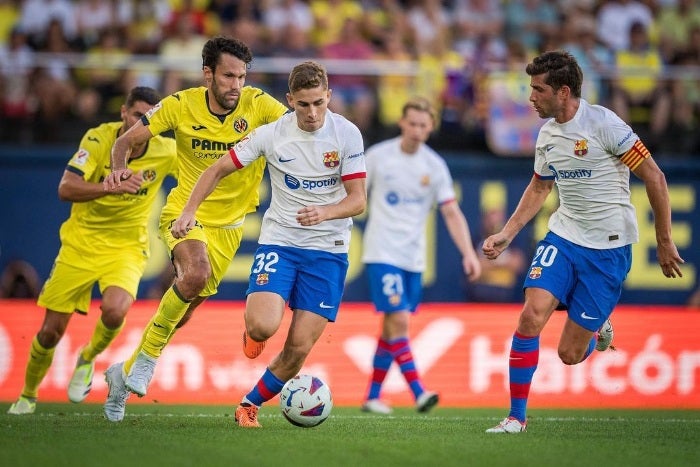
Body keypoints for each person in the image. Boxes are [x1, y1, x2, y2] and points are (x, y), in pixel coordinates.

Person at [483, 50, 684, 434]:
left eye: (537, 90)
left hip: (609, 248)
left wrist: (664, 241)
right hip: (564, 234)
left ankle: (596, 332)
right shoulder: (546, 134)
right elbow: (541, 186)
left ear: (562, 92)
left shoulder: (605, 124)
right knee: (531, 315)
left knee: (569, 354)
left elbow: (655, 178)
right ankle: (515, 418)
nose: (530, 97)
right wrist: (507, 233)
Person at [101, 36, 288, 423]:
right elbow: (125, 140)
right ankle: (148, 360)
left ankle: (121, 375)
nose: (236, 84)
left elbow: (299, 129)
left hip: (231, 226)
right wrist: (117, 166)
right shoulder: (179, 105)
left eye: (241, 76)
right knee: (195, 273)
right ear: (208, 74)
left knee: (183, 310)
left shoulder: (259, 105)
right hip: (186, 213)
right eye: (227, 76)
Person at [170, 60, 366, 428]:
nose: (312, 113)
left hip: (328, 251)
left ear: (329, 97)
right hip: (281, 243)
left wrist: (324, 213)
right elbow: (216, 169)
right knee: (262, 328)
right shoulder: (271, 134)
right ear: (290, 100)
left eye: (319, 103)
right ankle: (252, 330)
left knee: (298, 350)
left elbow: (358, 200)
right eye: (303, 104)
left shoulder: (347, 134)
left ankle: (248, 404)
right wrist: (188, 212)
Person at [7, 86, 176, 415]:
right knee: (50, 332)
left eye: (150, 118)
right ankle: (27, 394)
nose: (142, 123)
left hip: (127, 246)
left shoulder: (166, 151)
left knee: (116, 310)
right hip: (81, 244)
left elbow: (202, 172)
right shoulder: (98, 140)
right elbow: (65, 188)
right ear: (123, 114)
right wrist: (108, 186)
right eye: (137, 115)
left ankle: (87, 358)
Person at [360, 97, 481, 415]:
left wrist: (468, 252)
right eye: (411, 123)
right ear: (401, 122)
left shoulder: (434, 165)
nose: (416, 130)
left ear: (431, 128)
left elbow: (452, 212)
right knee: (398, 319)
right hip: (382, 251)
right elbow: (355, 197)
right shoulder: (377, 157)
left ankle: (372, 396)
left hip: (413, 258)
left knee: (392, 326)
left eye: (422, 125)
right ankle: (419, 391)